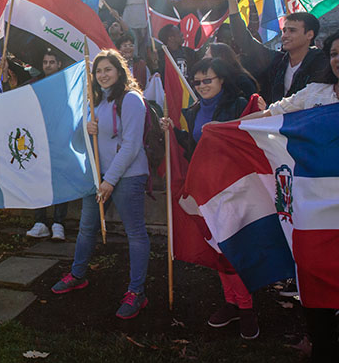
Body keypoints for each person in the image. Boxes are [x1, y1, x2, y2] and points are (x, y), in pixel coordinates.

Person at [240, 32, 339, 360]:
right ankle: (320, 343)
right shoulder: (316, 93)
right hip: (313, 203)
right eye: (335, 53)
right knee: (311, 271)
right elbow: (274, 116)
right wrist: (232, 128)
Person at [159, 58, 257, 338]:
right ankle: (231, 303)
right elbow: (194, 146)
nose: (202, 86)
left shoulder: (238, 105)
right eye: (198, 81)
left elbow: (248, 137)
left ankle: (247, 308)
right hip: (205, 189)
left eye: (208, 80)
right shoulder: (193, 111)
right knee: (218, 248)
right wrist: (174, 132)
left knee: (234, 249)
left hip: (233, 187)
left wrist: (258, 113)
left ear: (221, 80)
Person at [51, 49, 150, 320]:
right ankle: (78, 274)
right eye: (98, 71)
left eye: (108, 69)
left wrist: (110, 181)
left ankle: (136, 292)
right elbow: (79, 143)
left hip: (127, 176)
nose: (103, 75)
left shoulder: (131, 100)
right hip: (98, 176)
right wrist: (87, 130)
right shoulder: (95, 102)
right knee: (86, 228)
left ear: (119, 71)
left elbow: (131, 146)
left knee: (135, 234)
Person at [225, 0, 328, 104]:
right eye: (284, 31)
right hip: (278, 121)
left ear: (309, 34)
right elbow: (243, 39)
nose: (285, 36)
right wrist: (231, 0)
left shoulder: (324, 64)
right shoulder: (278, 61)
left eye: (292, 31)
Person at [26, 50, 69, 240]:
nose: (48, 65)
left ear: (59, 64)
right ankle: (40, 222)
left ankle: (58, 223)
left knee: (59, 181)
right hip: (38, 140)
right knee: (38, 180)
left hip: (60, 139)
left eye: (52, 62)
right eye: (45, 62)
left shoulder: (68, 83)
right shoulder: (35, 85)